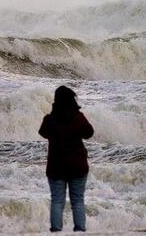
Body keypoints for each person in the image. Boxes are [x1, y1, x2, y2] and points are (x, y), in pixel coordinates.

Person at [38, 85, 94, 232]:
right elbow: (89, 133)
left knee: (57, 201)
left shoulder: (49, 120)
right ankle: (80, 231)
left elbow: (43, 133)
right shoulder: (78, 117)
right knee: (78, 201)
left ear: (56, 101)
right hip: (78, 166)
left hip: (56, 166)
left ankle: (56, 231)